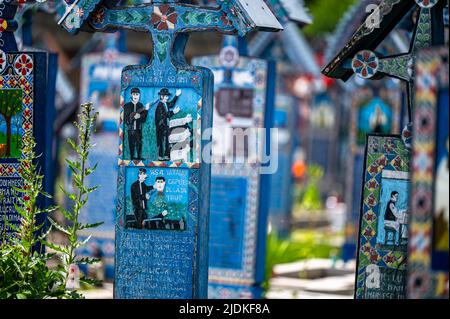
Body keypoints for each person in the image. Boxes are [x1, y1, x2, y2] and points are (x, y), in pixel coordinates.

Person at [155, 88, 182, 161]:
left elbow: (171, 104)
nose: (167, 97)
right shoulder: (160, 105)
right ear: (161, 96)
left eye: (167, 96)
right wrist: (173, 112)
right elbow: (164, 115)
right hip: (161, 127)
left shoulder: (165, 104)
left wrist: (176, 95)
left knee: (167, 141)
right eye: (166, 96)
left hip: (166, 126)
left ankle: (167, 155)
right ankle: (160, 156)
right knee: (161, 142)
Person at [124, 88, 150, 160]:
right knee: (131, 144)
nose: (135, 96)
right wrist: (132, 117)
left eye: (137, 94)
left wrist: (145, 111)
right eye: (134, 94)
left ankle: (139, 157)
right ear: (131, 95)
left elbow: (143, 119)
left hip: (138, 129)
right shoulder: (127, 106)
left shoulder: (141, 105)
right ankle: (132, 157)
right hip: (131, 129)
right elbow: (126, 119)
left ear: (139, 95)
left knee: (139, 143)